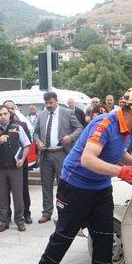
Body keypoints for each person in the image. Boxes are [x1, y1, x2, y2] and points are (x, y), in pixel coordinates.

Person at [32, 87, 132, 264]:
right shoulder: (105, 123)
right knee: (64, 236)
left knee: (104, 236)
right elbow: (88, 159)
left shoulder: (128, 127)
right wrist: (119, 171)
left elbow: (119, 154)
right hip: (75, 186)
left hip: (100, 188)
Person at [32, 91, 83, 224]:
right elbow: (35, 132)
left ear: (56, 101)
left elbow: (79, 128)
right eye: (46, 103)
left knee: (63, 185)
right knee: (46, 185)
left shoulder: (66, 113)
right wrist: (38, 142)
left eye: (51, 103)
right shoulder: (42, 115)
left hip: (62, 153)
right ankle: (47, 212)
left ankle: (65, 212)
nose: (48, 105)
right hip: (45, 155)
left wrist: (70, 137)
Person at [0, 105, 30, 232]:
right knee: (2, 196)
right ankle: (4, 221)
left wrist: (22, 160)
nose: (3, 116)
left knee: (18, 196)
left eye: (5, 113)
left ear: (9, 114)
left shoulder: (17, 128)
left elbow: (27, 145)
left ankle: (20, 221)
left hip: (15, 167)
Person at [4, 99, 33, 224]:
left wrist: (22, 159)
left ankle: (26, 213)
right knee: (5, 190)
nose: (10, 110)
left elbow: (27, 144)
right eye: (7, 108)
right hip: (4, 164)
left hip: (20, 162)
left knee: (23, 189)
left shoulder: (22, 124)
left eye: (12, 108)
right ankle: (7, 215)